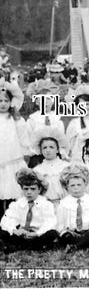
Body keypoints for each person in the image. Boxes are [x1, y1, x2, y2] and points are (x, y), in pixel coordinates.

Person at [0, 168, 58, 253]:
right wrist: (15, 230)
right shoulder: (17, 204)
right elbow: (6, 219)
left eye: (33, 189)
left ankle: (24, 246)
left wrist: (37, 233)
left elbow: (50, 222)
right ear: (22, 189)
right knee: (3, 232)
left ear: (39, 189)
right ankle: (31, 246)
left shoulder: (46, 204)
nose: (29, 192)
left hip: (37, 234)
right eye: (26, 189)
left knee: (52, 233)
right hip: (21, 234)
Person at [56, 164, 89, 250]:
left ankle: (77, 246)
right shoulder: (63, 203)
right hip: (73, 233)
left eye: (79, 185)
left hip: (88, 231)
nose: (76, 188)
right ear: (67, 187)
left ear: (85, 185)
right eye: (72, 186)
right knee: (65, 236)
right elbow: (60, 224)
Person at [0, 80, 28, 218]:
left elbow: (23, 138)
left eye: (6, 100)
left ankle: (12, 222)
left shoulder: (16, 119)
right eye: (0, 101)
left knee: (13, 192)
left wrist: (24, 152)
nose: (3, 104)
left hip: (12, 159)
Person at [25, 79, 65, 167]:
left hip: (55, 156)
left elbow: (62, 139)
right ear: (36, 102)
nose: (45, 102)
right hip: (37, 157)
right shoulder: (32, 120)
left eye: (48, 99)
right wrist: (34, 152)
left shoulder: (57, 120)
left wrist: (62, 153)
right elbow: (28, 139)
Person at [31, 127, 69, 206]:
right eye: (44, 148)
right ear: (40, 150)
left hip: (64, 204)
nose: (48, 150)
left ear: (58, 149)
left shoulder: (66, 166)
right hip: (45, 206)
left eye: (51, 147)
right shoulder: (37, 170)